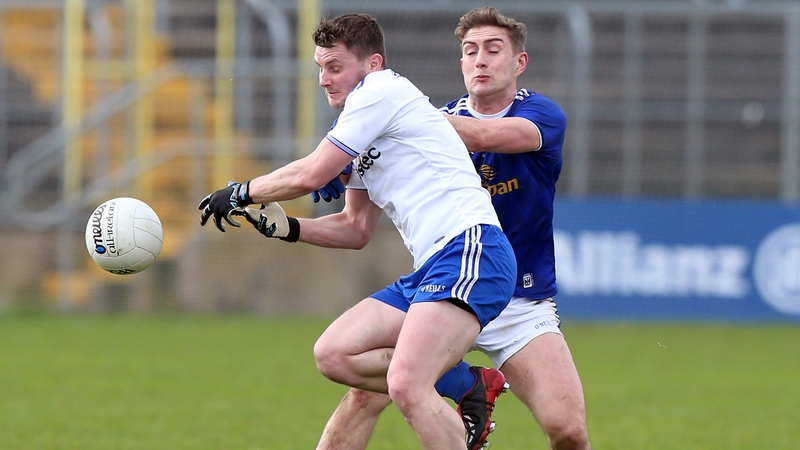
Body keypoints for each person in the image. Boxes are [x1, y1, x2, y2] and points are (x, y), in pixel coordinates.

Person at [197, 13, 516, 450]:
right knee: (334, 353)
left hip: (471, 249)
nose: (324, 80)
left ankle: (463, 390)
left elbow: (312, 173)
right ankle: (465, 383)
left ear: (372, 64)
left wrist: (240, 192)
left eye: (335, 67)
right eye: (320, 68)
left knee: (406, 384)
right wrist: (288, 228)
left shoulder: (381, 91)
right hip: (434, 266)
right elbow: (355, 228)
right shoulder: (361, 125)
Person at [311, 7, 592, 450]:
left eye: (493, 50)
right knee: (373, 390)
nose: (480, 60)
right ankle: (465, 388)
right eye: (470, 51)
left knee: (568, 430)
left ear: (519, 63)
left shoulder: (540, 114)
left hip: (520, 299)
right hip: (443, 289)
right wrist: (348, 157)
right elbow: (357, 221)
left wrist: (373, 124)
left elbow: (480, 136)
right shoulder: (424, 120)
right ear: (460, 63)